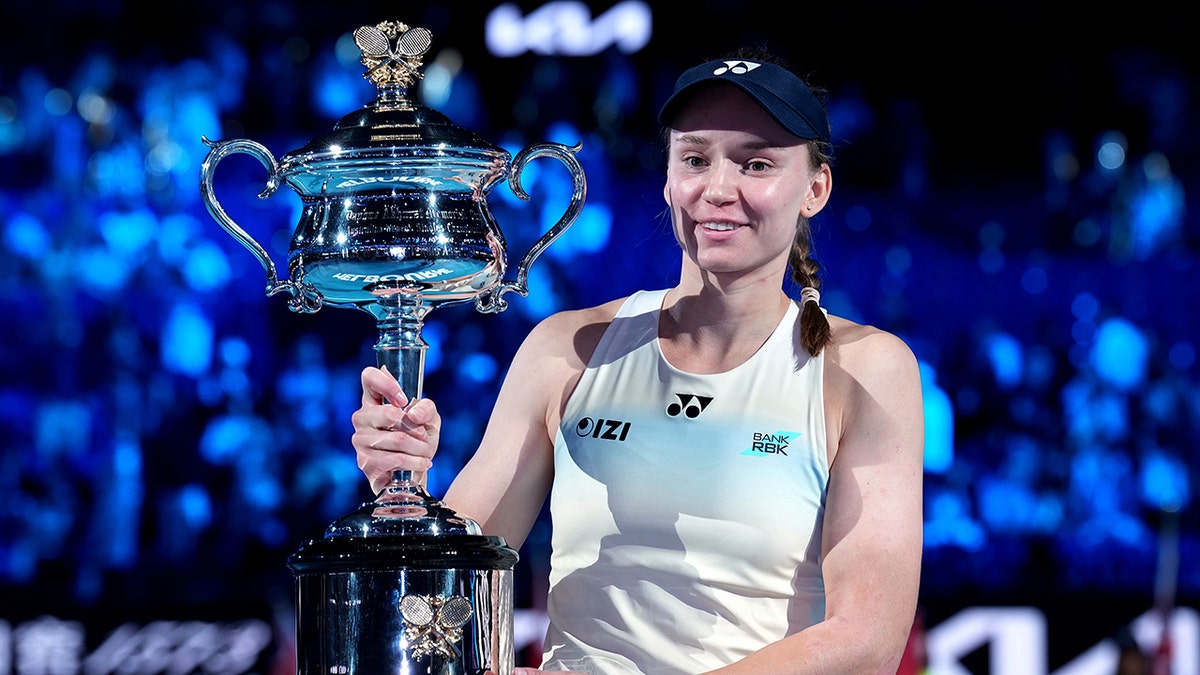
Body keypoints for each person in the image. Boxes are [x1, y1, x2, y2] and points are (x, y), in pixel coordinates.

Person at [352, 47, 925, 675]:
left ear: (815, 189)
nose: (718, 189)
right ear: (668, 177)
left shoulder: (865, 370)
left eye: (756, 163)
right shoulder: (566, 349)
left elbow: (867, 641)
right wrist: (401, 497)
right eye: (696, 159)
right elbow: (445, 595)